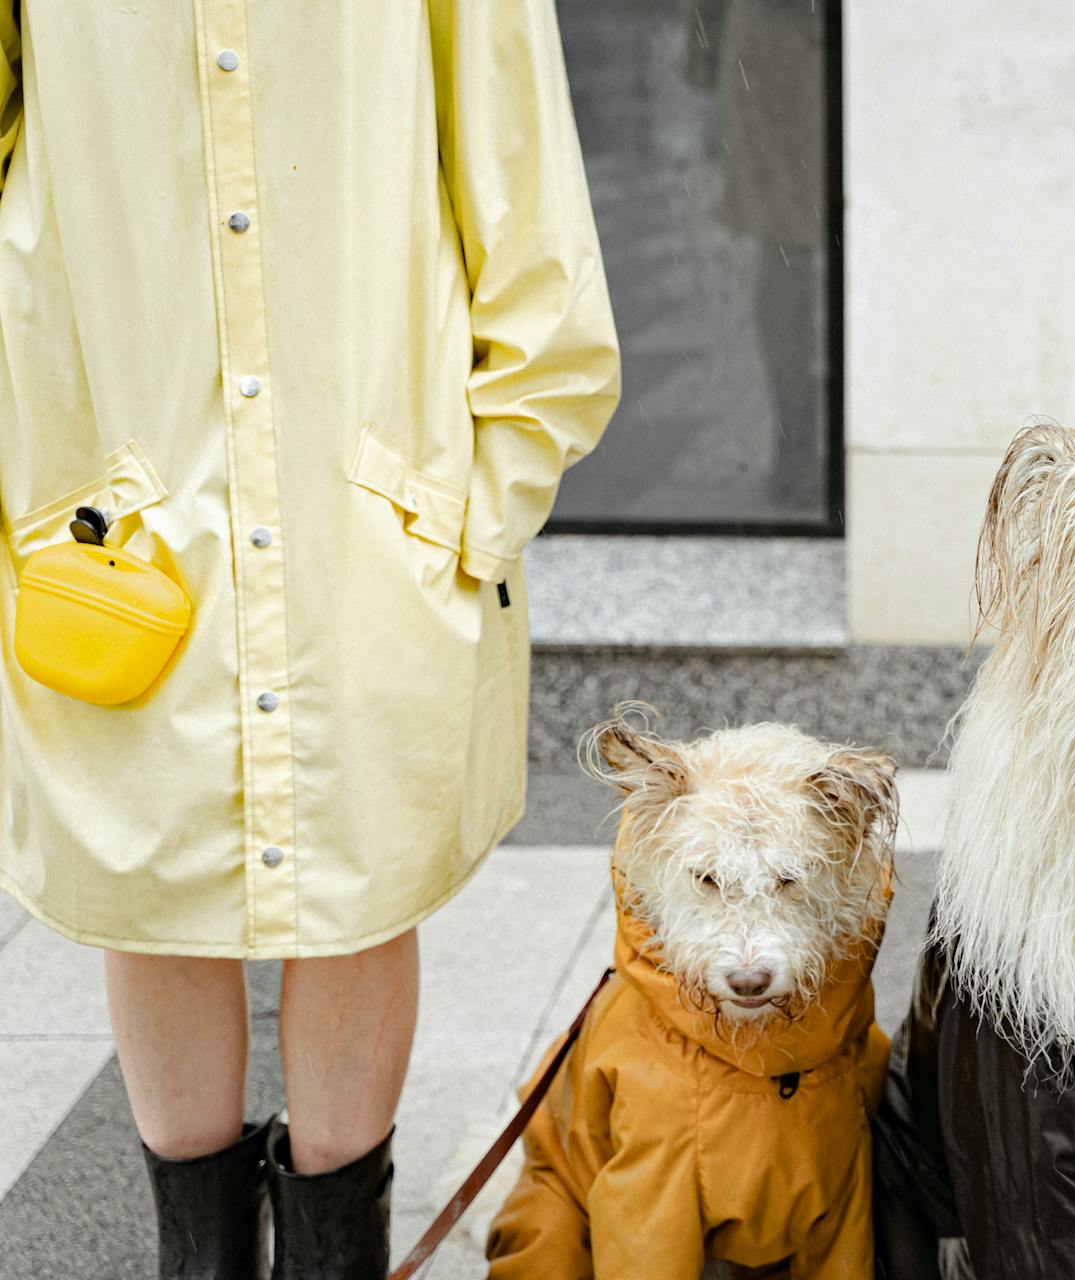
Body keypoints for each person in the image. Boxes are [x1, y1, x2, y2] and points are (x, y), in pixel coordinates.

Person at [0, 3, 619, 1275]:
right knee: (151, 870)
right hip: (123, 465)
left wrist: (483, 500)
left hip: (367, 467)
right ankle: (202, 1258)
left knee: (357, 873)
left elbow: (524, 177)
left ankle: (340, 1257)